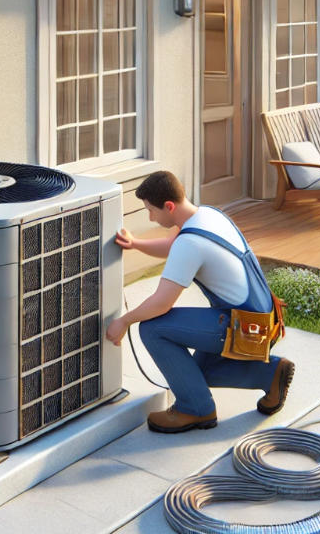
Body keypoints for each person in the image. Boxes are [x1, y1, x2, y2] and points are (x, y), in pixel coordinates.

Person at [105, 170, 294, 434]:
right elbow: (174, 245)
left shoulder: (190, 243)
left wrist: (124, 321)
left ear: (169, 206)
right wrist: (136, 244)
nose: (150, 217)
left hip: (246, 329)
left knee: (152, 328)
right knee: (195, 375)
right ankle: (271, 374)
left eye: (151, 211)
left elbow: (161, 304)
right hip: (262, 320)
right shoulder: (207, 215)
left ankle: (194, 409)